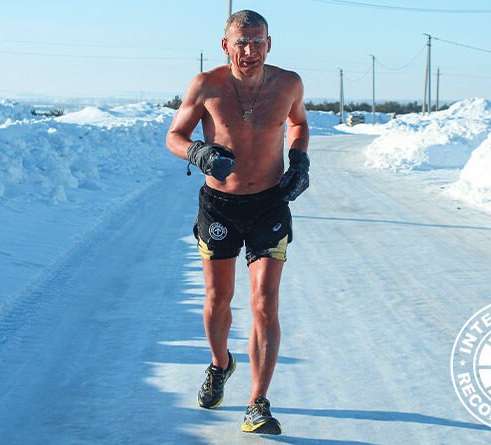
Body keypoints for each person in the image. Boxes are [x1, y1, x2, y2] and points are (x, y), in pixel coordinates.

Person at [165, 10, 309, 435]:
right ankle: (219, 363)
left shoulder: (288, 84)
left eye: (258, 41)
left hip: (270, 203)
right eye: (241, 43)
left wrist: (298, 160)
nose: (250, 51)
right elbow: (174, 135)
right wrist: (199, 153)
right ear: (226, 46)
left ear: (270, 43)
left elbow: (299, 122)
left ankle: (257, 403)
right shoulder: (206, 85)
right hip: (220, 206)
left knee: (265, 303)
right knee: (218, 299)